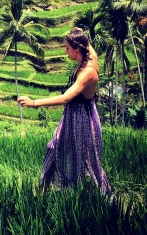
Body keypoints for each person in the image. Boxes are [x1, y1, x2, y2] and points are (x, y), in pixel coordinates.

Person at [18, 27, 111, 194]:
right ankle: (59, 189)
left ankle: (87, 193)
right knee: (55, 148)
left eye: (67, 48)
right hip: (73, 115)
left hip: (82, 118)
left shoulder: (88, 72)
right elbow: (90, 48)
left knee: (85, 159)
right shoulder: (89, 57)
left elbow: (66, 97)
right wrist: (82, 34)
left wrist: (33, 103)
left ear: (77, 49)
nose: (65, 51)